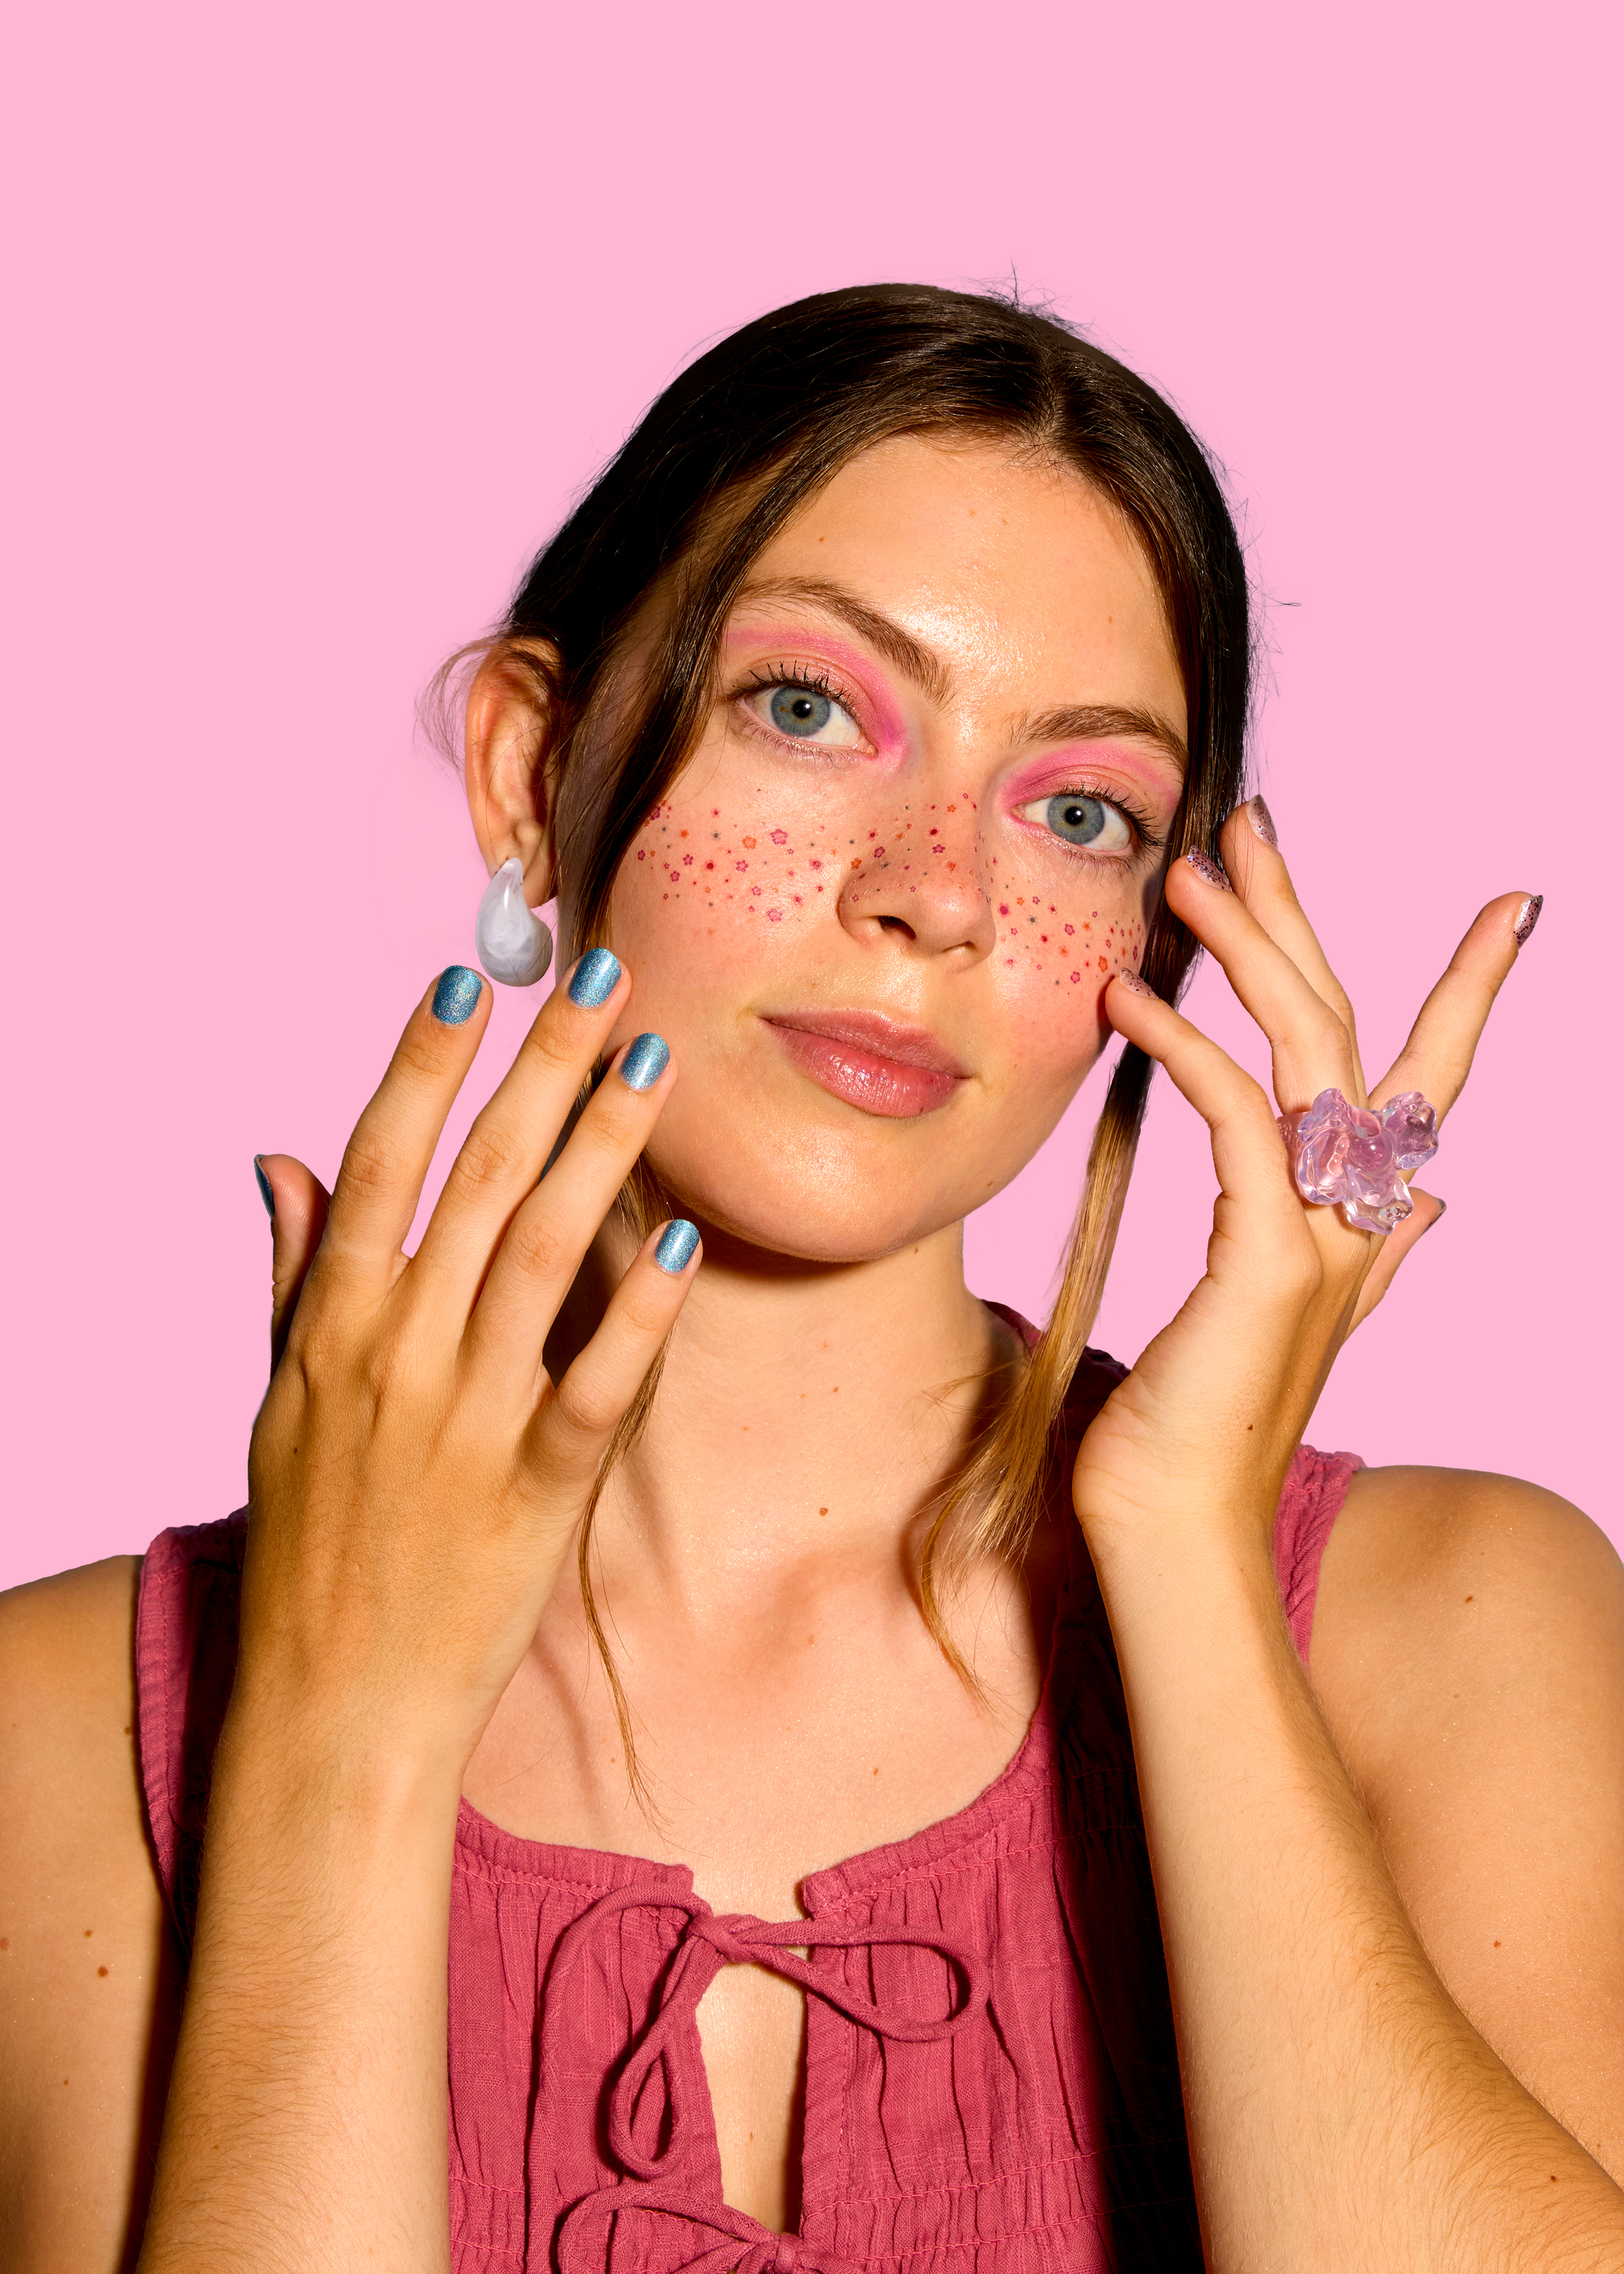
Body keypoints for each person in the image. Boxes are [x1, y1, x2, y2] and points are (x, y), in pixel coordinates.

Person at [2, 284, 1621, 2274]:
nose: (934, 884)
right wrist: (342, 1746)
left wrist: (1185, 1554)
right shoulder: (59, 1728)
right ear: (534, 766)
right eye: (802, 705)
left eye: (1079, 807)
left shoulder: (1442, 1626)